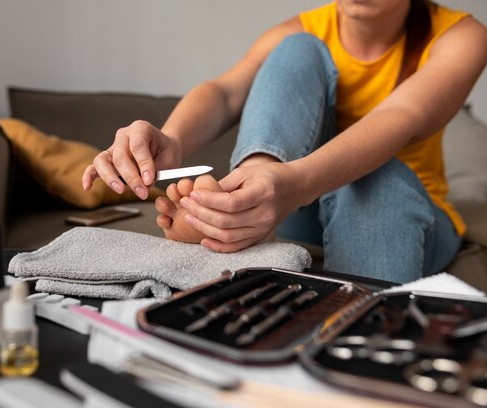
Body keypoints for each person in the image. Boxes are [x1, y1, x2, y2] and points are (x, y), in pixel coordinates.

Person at [82, 0, 487, 283]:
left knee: (377, 181)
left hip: (401, 210)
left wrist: (291, 184)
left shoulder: (461, 36)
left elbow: (399, 116)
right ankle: (249, 192)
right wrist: (171, 137)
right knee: (295, 49)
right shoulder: (304, 29)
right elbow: (225, 93)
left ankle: (246, 213)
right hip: (296, 204)